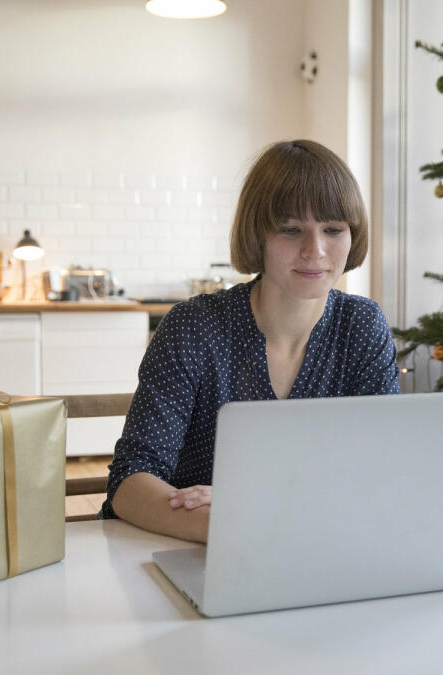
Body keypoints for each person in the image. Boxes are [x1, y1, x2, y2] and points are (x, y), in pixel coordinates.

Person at [100, 139, 400, 542]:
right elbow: (129, 482)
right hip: (183, 551)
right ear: (257, 234)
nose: (316, 250)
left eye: (333, 229)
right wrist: (233, 526)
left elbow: (379, 471)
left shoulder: (362, 326)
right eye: (291, 230)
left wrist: (260, 516)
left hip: (316, 550)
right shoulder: (194, 327)